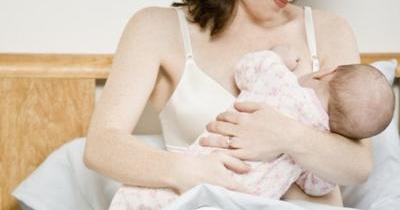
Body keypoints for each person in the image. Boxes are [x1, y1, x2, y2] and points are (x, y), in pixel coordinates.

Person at [83, 0, 374, 207]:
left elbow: (359, 166)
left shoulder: (327, 31)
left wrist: (286, 135)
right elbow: (101, 145)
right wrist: (186, 171)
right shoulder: (156, 28)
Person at [106, 47, 394, 210]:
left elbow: (249, 67)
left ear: (323, 73)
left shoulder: (281, 81)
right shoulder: (320, 144)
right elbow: (318, 187)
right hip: (247, 201)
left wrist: (279, 57)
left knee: (146, 199)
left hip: (203, 172)